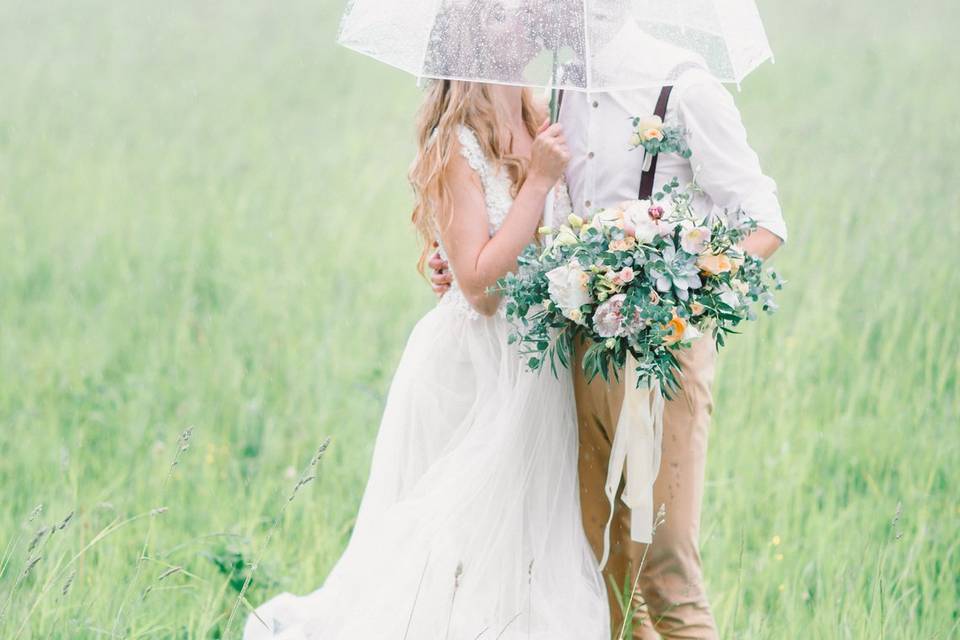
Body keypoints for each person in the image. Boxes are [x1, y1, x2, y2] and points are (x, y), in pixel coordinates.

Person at [429, 17, 787, 640]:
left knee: (666, 566)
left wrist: (671, 284)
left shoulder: (682, 87)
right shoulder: (561, 85)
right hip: (573, 360)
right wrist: (462, 256)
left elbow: (764, 224)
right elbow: (549, 213)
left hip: (661, 356)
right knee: (602, 574)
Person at [245, 78, 609, 640]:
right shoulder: (455, 142)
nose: (520, 17)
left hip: (541, 366)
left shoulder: (544, 118)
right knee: (461, 543)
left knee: (525, 547)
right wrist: (537, 182)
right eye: (499, 14)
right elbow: (482, 289)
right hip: (478, 372)